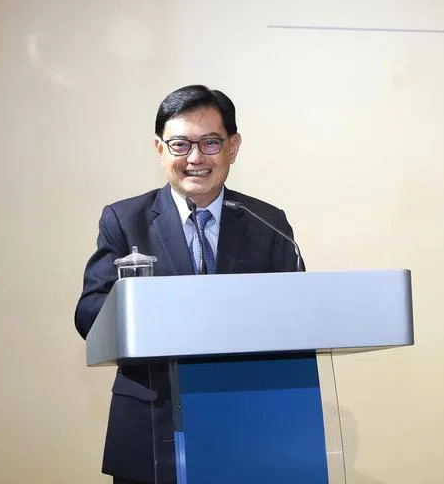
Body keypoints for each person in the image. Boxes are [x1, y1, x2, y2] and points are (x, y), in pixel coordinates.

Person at [73, 84, 304, 484]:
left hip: (248, 425)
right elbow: (88, 313)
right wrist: (142, 306)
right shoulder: (125, 219)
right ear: (160, 150)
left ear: (233, 147)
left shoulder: (268, 223)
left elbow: (299, 313)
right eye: (180, 144)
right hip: (151, 426)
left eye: (210, 143)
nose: (195, 158)